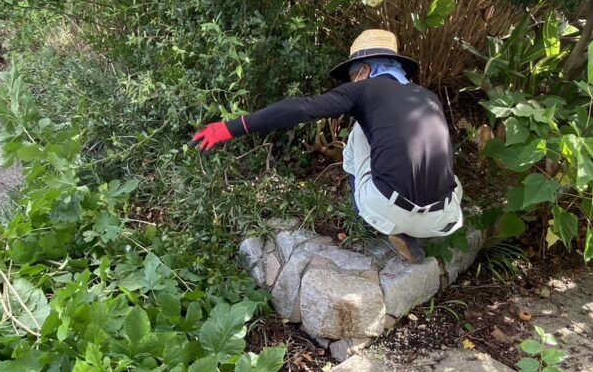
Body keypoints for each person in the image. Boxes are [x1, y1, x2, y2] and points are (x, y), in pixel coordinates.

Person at [190, 29, 463, 261]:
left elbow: (303, 108)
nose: (352, 81)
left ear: (365, 70)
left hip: (388, 208)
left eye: (353, 75)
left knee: (358, 134)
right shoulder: (427, 97)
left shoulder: (364, 89)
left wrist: (230, 127)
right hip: (445, 217)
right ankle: (414, 227)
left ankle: (372, 220)